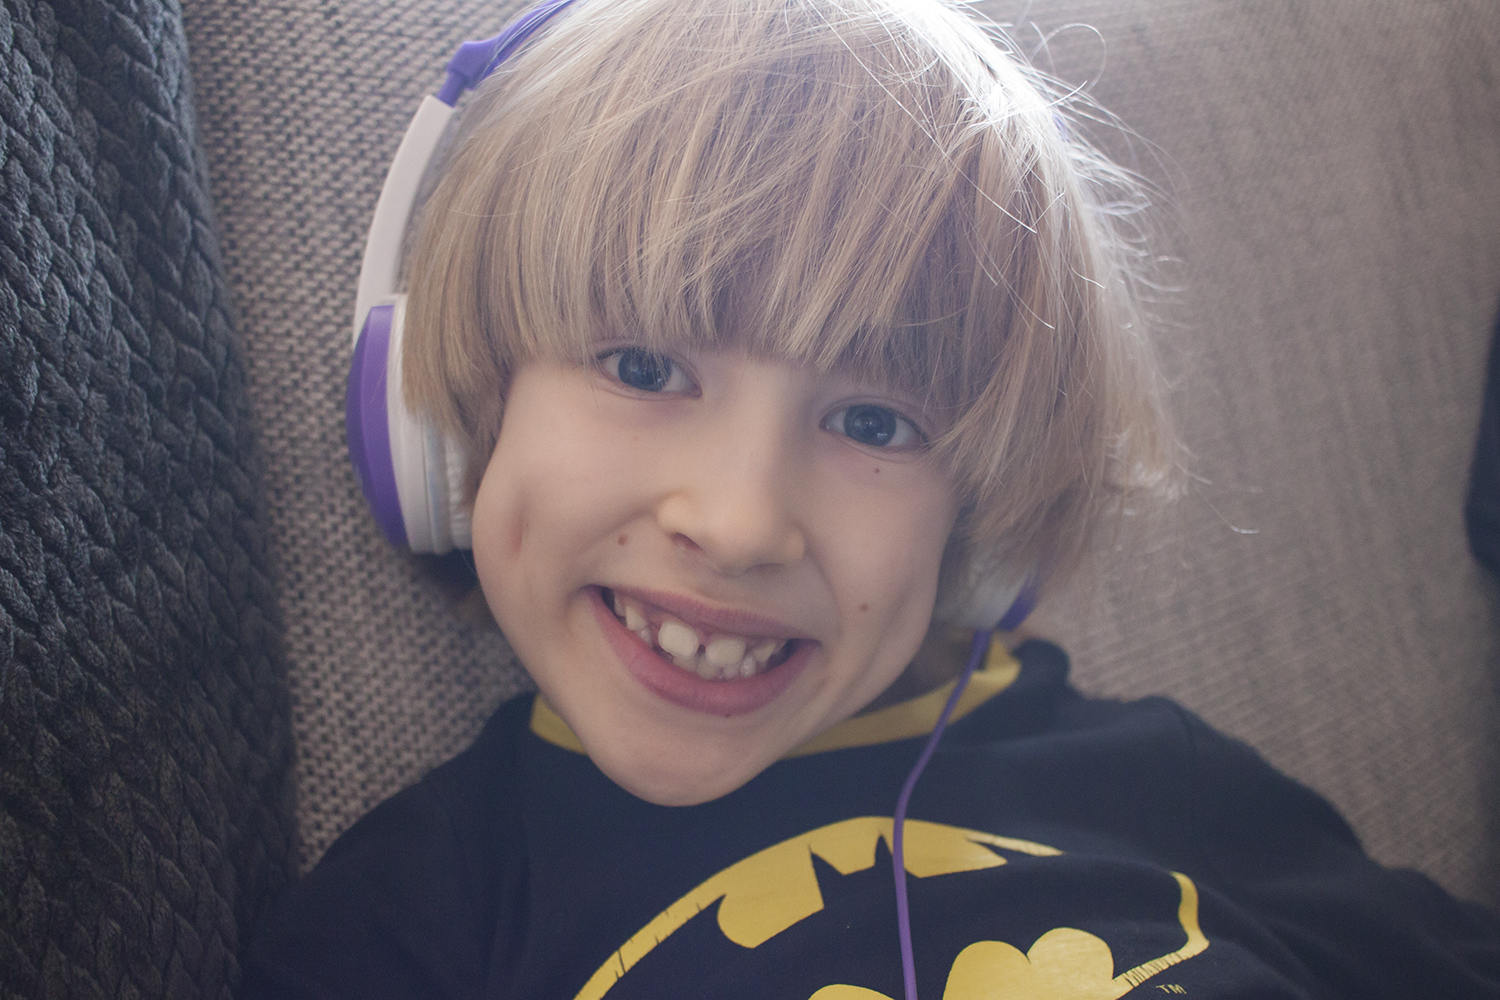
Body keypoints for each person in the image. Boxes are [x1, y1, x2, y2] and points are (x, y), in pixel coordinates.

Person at [245, 0, 1500, 997]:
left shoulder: (1154, 778)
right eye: (642, 366)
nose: (737, 522)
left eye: (874, 420)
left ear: (976, 520)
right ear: (451, 424)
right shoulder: (419, 915)